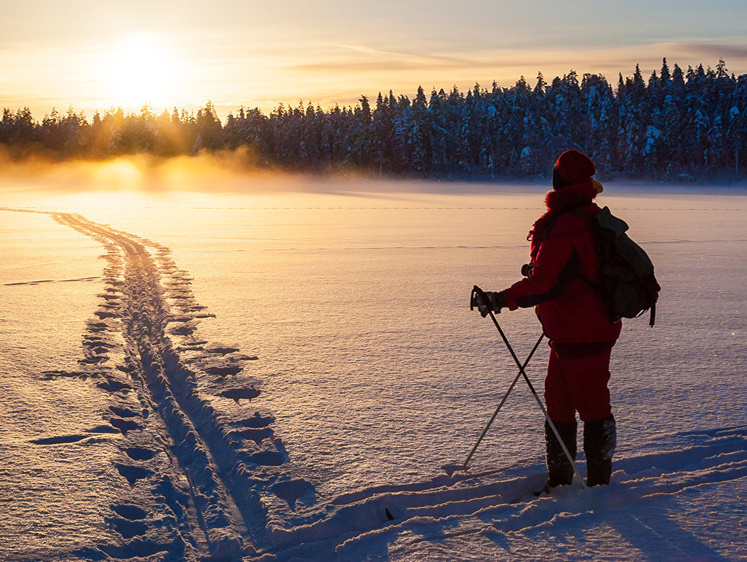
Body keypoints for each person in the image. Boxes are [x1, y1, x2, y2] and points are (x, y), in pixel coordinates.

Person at [475, 149, 620, 488]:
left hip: (585, 330)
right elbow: (567, 270)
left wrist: (500, 299)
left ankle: (599, 486)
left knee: (591, 405)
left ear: (560, 180)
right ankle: (561, 482)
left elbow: (546, 283)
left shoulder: (568, 224)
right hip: (572, 329)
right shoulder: (586, 215)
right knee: (559, 404)